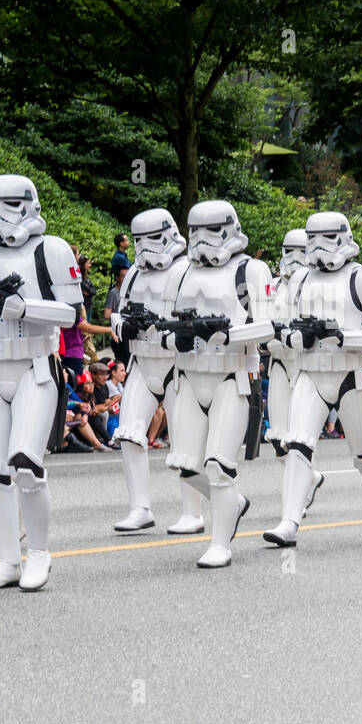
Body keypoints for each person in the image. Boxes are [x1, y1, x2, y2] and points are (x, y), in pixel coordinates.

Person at [0, 174, 81, 591]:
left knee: (26, 464)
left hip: (35, 367)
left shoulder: (51, 250)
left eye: (6, 204)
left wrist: (22, 309)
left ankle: (39, 553)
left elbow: (72, 315)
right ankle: (8, 559)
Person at [264, 211, 362, 548]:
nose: (319, 248)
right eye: (314, 239)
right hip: (310, 373)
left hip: (351, 375)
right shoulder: (299, 280)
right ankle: (289, 521)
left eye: (327, 238)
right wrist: (294, 338)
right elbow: (283, 329)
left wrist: (341, 337)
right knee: (297, 444)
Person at [157, 201, 274, 568]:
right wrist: (173, 338)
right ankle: (233, 504)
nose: (201, 240)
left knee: (219, 464)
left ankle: (220, 542)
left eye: (211, 230)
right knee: (187, 465)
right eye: (195, 231)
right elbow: (161, 325)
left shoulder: (251, 271)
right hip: (188, 378)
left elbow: (270, 328)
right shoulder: (178, 273)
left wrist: (227, 333)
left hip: (232, 376)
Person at [108, 208, 203, 534]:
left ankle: (199, 508)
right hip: (142, 364)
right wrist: (123, 323)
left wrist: (168, 328)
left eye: (151, 239)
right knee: (130, 434)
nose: (145, 247)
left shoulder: (188, 269)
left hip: (177, 366)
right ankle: (140, 507)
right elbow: (118, 312)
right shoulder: (133, 272)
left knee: (185, 444)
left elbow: (200, 319)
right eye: (139, 240)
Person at [264, 228, 326, 511]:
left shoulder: (319, 284)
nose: (292, 259)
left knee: (300, 437)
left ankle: (296, 498)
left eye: (298, 252)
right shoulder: (274, 285)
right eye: (287, 251)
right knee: (278, 439)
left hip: (304, 364)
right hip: (278, 362)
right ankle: (310, 479)